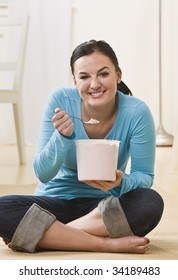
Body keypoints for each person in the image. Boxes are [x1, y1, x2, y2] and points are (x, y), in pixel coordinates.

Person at [0, 39, 164, 254]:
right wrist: (61, 137)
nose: (94, 84)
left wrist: (121, 181)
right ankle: (104, 244)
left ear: (118, 74)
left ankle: (49, 236)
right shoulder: (60, 100)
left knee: (150, 202)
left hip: (103, 210)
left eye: (103, 74)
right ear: (75, 81)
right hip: (53, 204)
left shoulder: (137, 112)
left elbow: (145, 176)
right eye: (84, 77)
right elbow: (42, 173)